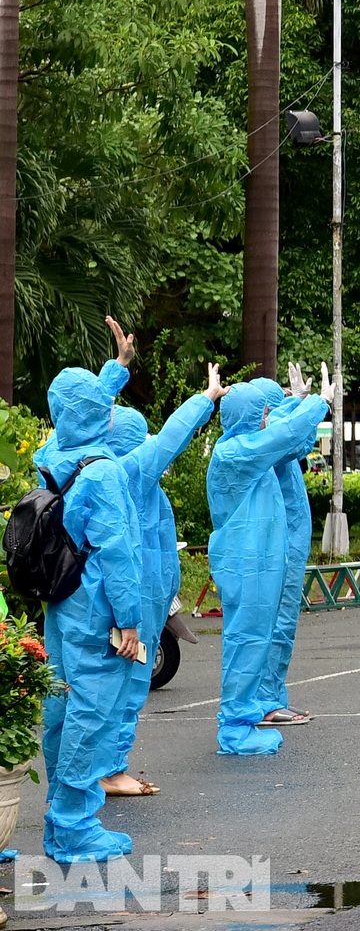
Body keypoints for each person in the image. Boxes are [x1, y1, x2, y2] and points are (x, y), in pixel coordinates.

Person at [98, 363, 225, 796]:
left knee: (118, 687)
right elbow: (171, 437)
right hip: (136, 600)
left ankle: (107, 767)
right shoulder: (131, 475)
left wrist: (113, 373)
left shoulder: (122, 478)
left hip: (142, 599)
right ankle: (109, 770)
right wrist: (206, 398)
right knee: (125, 687)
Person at [34, 367, 145, 862]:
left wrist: (112, 373)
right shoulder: (103, 472)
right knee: (93, 710)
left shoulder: (53, 457)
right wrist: (130, 619)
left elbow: (81, 407)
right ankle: (75, 825)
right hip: (98, 605)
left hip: (62, 601)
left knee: (61, 706)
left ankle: (59, 819)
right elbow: (118, 553)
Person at [205, 369, 330, 755]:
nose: (267, 419)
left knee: (254, 637)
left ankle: (244, 717)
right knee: (248, 639)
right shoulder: (236, 453)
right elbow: (283, 434)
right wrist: (317, 403)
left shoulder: (244, 448)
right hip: (246, 562)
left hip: (255, 560)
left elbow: (282, 434)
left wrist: (302, 402)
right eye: (263, 412)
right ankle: (237, 724)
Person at [257, 371, 322, 728]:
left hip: (287, 542)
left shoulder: (273, 434)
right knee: (276, 623)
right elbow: (293, 437)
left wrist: (296, 402)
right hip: (280, 545)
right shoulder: (264, 439)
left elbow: (299, 440)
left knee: (280, 623)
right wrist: (308, 403)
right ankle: (264, 700)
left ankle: (270, 695)